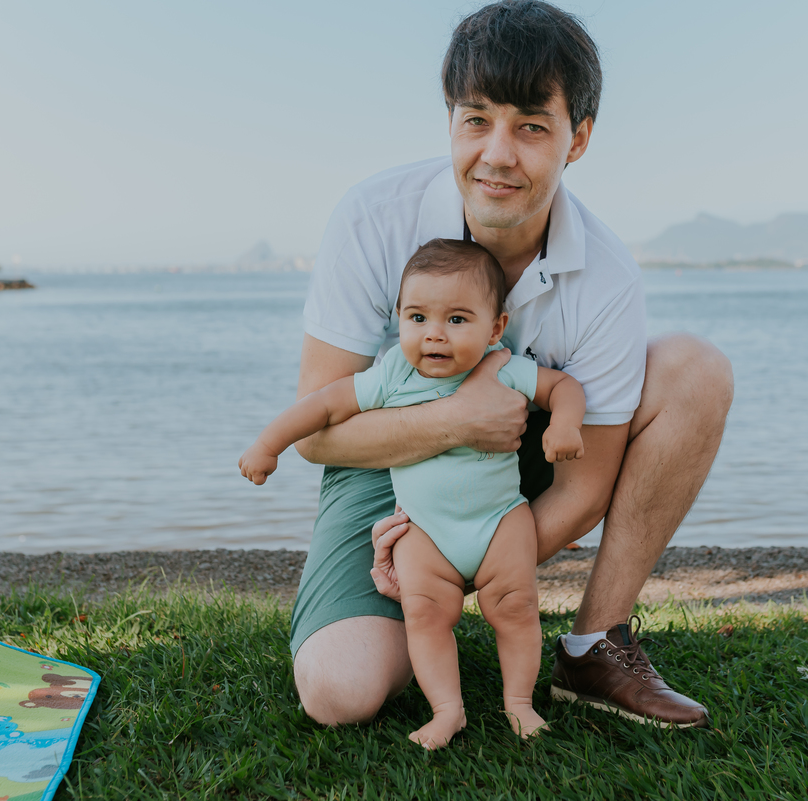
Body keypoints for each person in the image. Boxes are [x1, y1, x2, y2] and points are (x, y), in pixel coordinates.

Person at [290, 0, 733, 730]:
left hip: (513, 481)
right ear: (452, 120)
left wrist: (469, 563)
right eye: (476, 119)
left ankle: (595, 647)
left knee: (697, 368)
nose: (497, 152)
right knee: (341, 691)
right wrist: (448, 441)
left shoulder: (608, 277)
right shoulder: (374, 218)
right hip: (388, 475)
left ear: (578, 139)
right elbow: (317, 432)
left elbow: (584, 487)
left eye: (531, 126)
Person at [241, 238, 586, 748]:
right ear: (398, 319)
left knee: (515, 607)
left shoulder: (501, 366)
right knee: (425, 615)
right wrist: (269, 444)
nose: (435, 336)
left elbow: (563, 388)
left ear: (495, 327)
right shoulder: (393, 374)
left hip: (498, 520)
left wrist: (565, 426)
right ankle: (447, 710)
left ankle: (519, 703)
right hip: (423, 526)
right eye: (418, 318)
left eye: (457, 320)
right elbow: (325, 406)